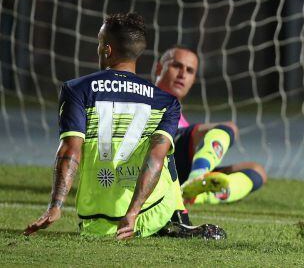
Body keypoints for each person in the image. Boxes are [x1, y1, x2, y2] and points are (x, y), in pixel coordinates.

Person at [23, 12, 223, 239]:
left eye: (100, 43)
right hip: (148, 215)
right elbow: (155, 159)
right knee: (163, 150)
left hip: (97, 222)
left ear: (107, 49)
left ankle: (167, 224)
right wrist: (133, 213)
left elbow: (70, 150)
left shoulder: (76, 89)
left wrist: (55, 206)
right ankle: (178, 220)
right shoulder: (166, 101)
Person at [155, 45, 266, 206]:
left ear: (193, 80)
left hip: (178, 170)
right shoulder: (147, 98)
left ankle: (193, 195)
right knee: (228, 127)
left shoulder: (180, 117)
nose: (182, 74)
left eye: (189, 71)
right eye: (177, 66)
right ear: (159, 68)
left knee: (256, 170)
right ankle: (197, 178)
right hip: (159, 158)